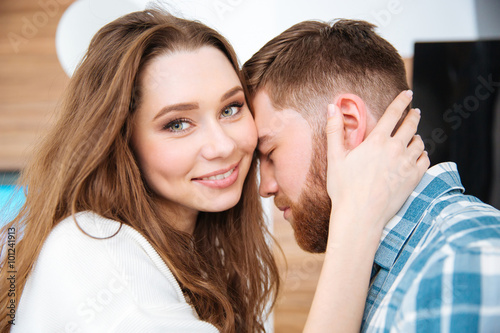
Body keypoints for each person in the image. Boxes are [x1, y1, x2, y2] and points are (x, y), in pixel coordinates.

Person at [0, 10, 427, 333]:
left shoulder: (199, 249)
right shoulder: (96, 253)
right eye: (177, 123)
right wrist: (358, 217)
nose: (223, 145)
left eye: (230, 108)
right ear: (119, 143)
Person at [242, 18, 500, 332]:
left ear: (347, 126)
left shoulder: (459, 262)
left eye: (269, 153)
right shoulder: (382, 267)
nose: (264, 187)